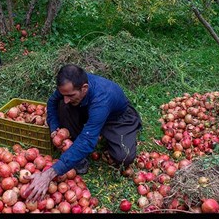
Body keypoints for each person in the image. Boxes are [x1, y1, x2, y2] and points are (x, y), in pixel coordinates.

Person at [24, 64, 142, 202]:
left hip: (116, 119)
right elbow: (52, 102)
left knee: (124, 156)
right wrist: (55, 128)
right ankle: (77, 153)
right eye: (64, 94)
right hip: (87, 109)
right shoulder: (70, 87)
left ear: (84, 88)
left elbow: (87, 141)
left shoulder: (101, 98)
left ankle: (104, 133)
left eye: (70, 95)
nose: (67, 98)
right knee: (63, 105)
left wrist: (50, 173)